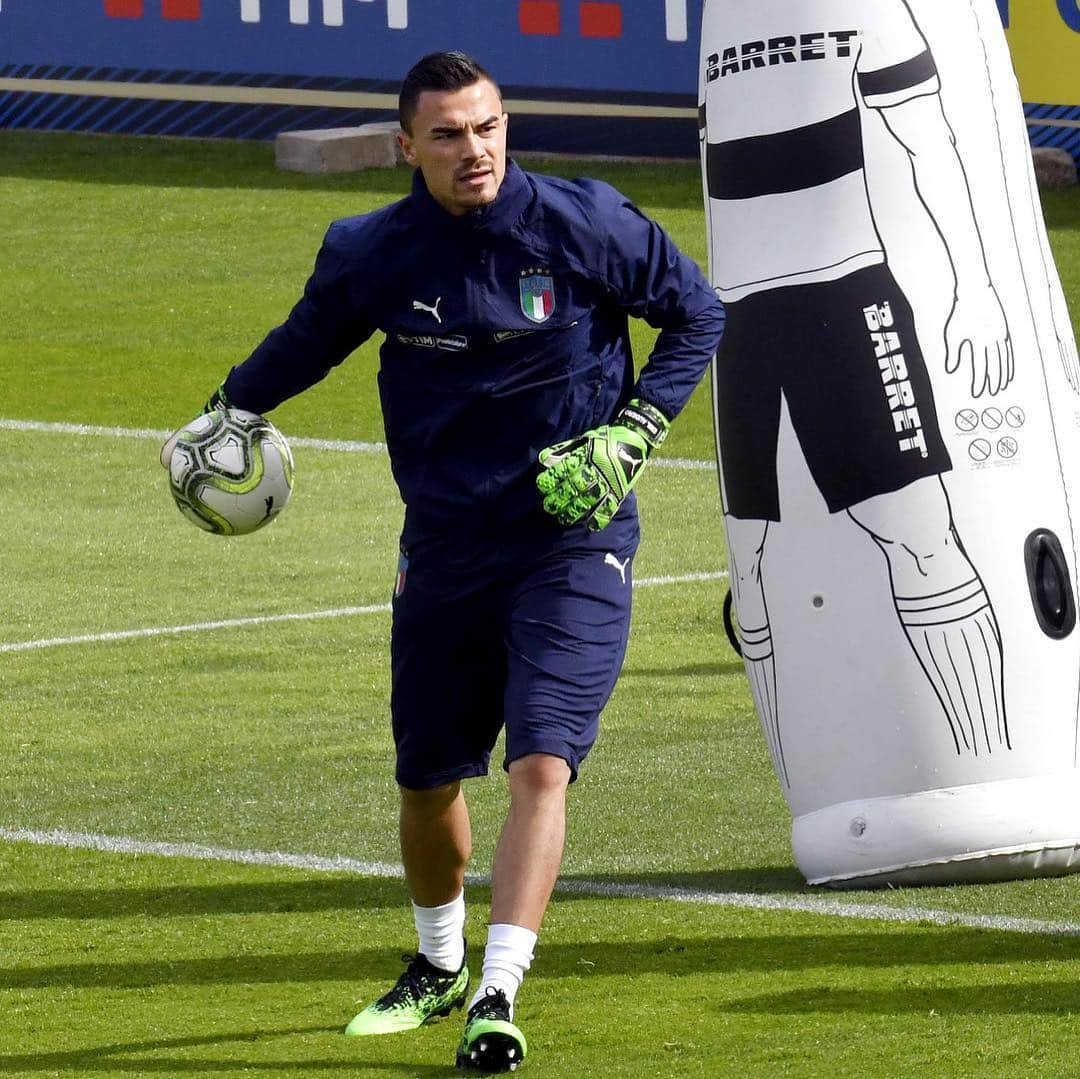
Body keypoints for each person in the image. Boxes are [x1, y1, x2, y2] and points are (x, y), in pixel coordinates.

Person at [162, 51, 724, 1072]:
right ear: (406, 145)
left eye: (490, 126)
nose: (477, 150)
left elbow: (698, 311)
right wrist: (231, 405)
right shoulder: (374, 250)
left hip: (571, 539)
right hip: (446, 546)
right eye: (453, 133)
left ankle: (498, 993)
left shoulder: (584, 223)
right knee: (427, 778)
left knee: (541, 760)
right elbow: (312, 336)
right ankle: (437, 965)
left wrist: (634, 429)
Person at [700, 0, 1016, 777]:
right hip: (737, 317)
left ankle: (987, 767)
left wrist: (974, 289)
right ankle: (813, 789)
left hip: (844, 296)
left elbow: (929, 141)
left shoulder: (869, 10)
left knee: (923, 534)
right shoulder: (725, 22)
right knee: (756, 564)